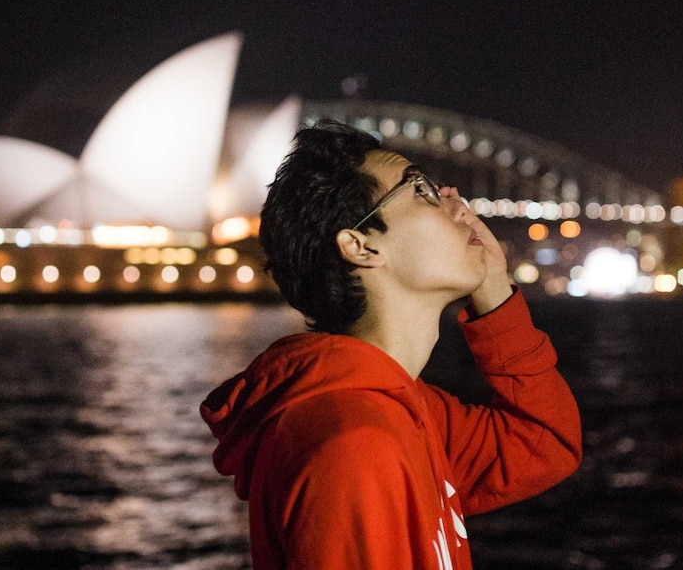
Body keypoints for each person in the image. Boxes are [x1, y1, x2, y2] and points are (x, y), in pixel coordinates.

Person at [200, 120, 582, 569]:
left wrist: (493, 286)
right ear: (360, 246)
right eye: (420, 189)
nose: (456, 200)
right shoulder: (353, 444)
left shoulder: (402, 408)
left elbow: (542, 442)